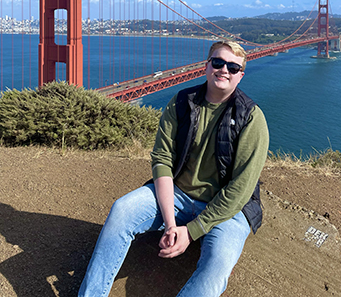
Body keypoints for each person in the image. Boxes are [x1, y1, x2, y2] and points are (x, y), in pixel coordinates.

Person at [78, 40, 269, 297]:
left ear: (240, 76)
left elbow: (241, 188)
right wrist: (170, 224)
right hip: (178, 194)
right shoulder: (182, 102)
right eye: (218, 62)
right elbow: (163, 159)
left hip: (228, 209)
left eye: (233, 67)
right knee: (122, 210)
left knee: (217, 267)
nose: (224, 69)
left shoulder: (251, 118)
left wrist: (191, 233)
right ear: (206, 66)